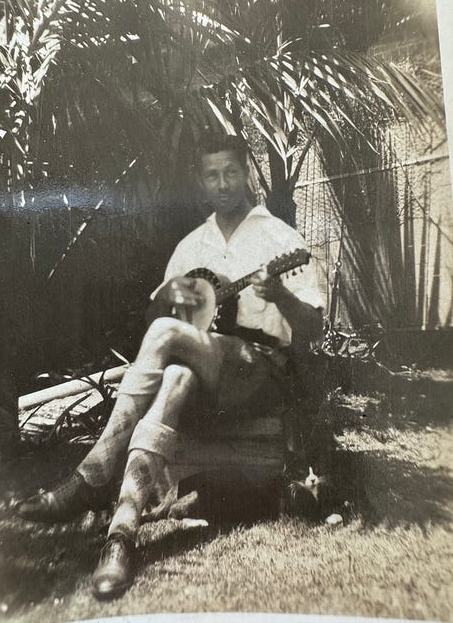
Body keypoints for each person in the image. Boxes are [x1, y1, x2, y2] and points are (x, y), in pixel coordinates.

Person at [16, 133, 324, 600]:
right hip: (202, 378)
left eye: (231, 172)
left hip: (259, 371)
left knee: (165, 339)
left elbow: (314, 328)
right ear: (201, 182)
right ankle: (120, 538)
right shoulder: (191, 245)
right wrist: (173, 299)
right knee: (175, 373)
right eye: (212, 175)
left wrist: (278, 295)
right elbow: (155, 318)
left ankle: (93, 475)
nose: (222, 183)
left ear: (248, 174)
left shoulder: (281, 237)